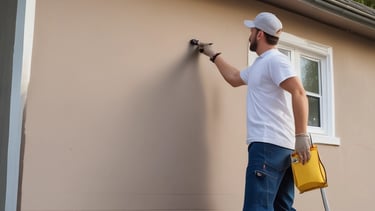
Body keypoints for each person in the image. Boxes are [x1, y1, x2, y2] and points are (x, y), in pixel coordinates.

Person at [199, 12, 311, 211]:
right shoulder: (260, 65)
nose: (249, 34)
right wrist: (213, 55)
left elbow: (299, 92)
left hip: (268, 146)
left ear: (260, 34)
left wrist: (301, 135)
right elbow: (234, 77)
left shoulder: (276, 61)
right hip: (282, 149)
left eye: (251, 30)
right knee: (281, 208)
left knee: (256, 207)